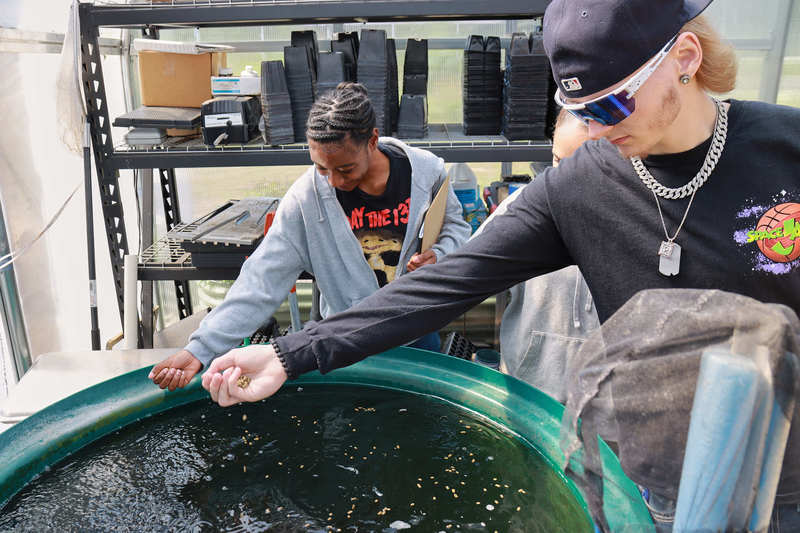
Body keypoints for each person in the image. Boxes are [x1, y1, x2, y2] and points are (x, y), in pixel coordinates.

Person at [199, 0, 800, 525]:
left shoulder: (786, 152)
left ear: (686, 57)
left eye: (612, 106)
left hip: (788, 481)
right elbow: (440, 287)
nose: (593, 130)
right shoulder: (580, 188)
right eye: (579, 110)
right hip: (647, 485)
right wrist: (288, 353)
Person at [149, 82, 471, 390]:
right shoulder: (305, 200)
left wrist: (439, 255)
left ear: (372, 141)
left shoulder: (425, 173)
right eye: (320, 168)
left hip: (416, 334)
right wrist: (200, 349)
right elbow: (261, 280)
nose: (332, 181)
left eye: (345, 169)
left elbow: (455, 227)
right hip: (347, 346)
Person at [492, 109, 599, 402]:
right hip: (527, 391)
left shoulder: (637, 218)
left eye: (581, 164)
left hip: (603, 406)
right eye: (557, 161)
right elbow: (469, 275)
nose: (564, 178)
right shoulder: (523, 207)